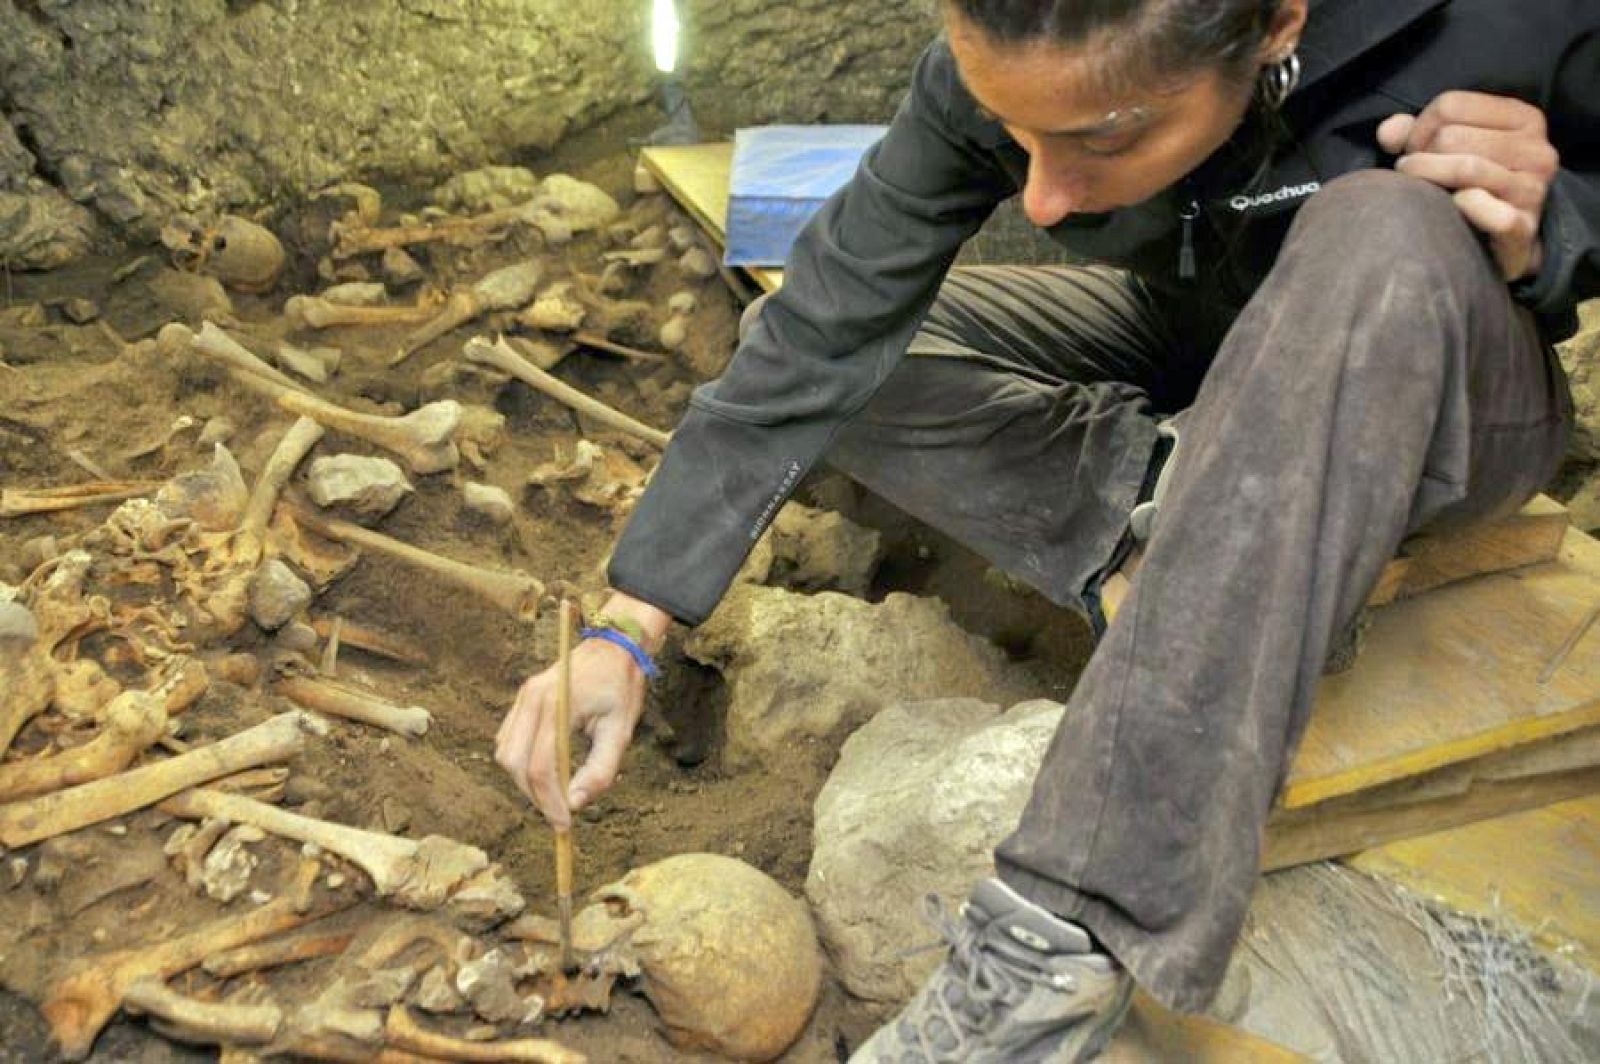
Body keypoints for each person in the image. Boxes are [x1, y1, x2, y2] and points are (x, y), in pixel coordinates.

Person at [498, 0, 1599, 1058]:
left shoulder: (1506, 17)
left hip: (1435, 389)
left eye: (1096, 138)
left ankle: (1057, 941)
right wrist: (626, 624)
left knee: (1382, 220)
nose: (1041, 199)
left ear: (1276, 23)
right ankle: (1175, 514)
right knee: (846, 353)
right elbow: (824, 322)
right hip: (1195, 338)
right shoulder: (1023, 50)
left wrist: (1558, 222)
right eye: (1016, 138)